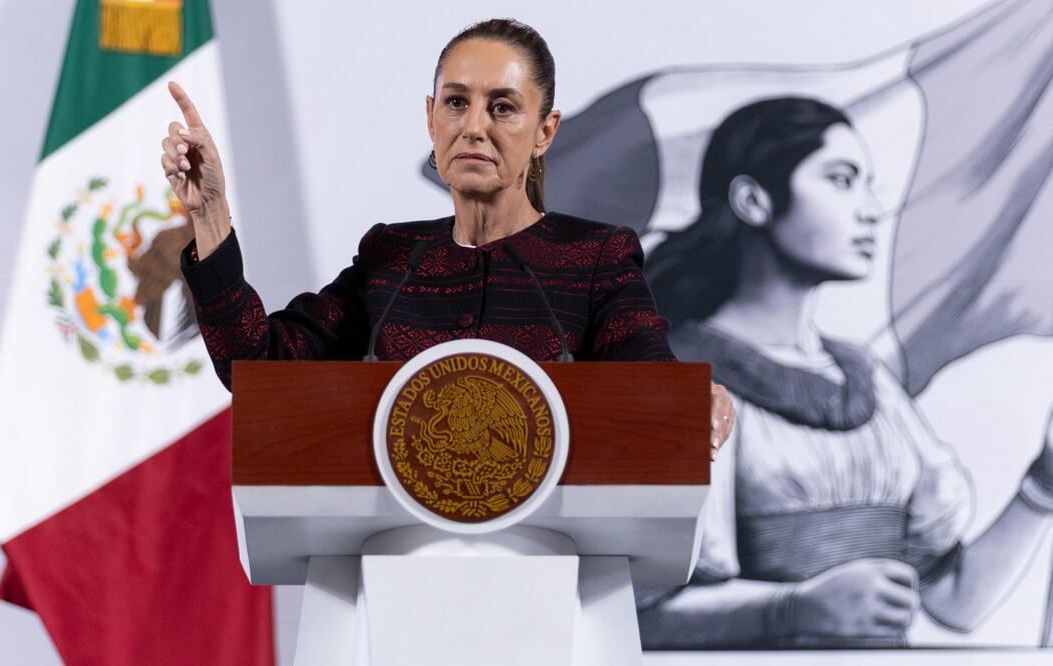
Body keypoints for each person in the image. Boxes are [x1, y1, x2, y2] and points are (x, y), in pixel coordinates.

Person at [159, 18, 735, 454]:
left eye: (503, 107)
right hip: (397, 578)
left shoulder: (595, 258)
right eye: (456, 103)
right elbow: (256, 366)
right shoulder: (391, 257)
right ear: (431, 119)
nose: (474, 127)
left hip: (551, 581)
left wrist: (688, 399)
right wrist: (210, 216)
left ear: (544, 132)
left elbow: (647, 376)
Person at [636, 96, 1053, 648]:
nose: (870, 208)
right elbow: (635, 616)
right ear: (753, 200)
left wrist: (1044, 481)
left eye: (867, 183)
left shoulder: (868, 379)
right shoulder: (675, 375)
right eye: (841, 179)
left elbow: (955, 603)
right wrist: (791, 609)